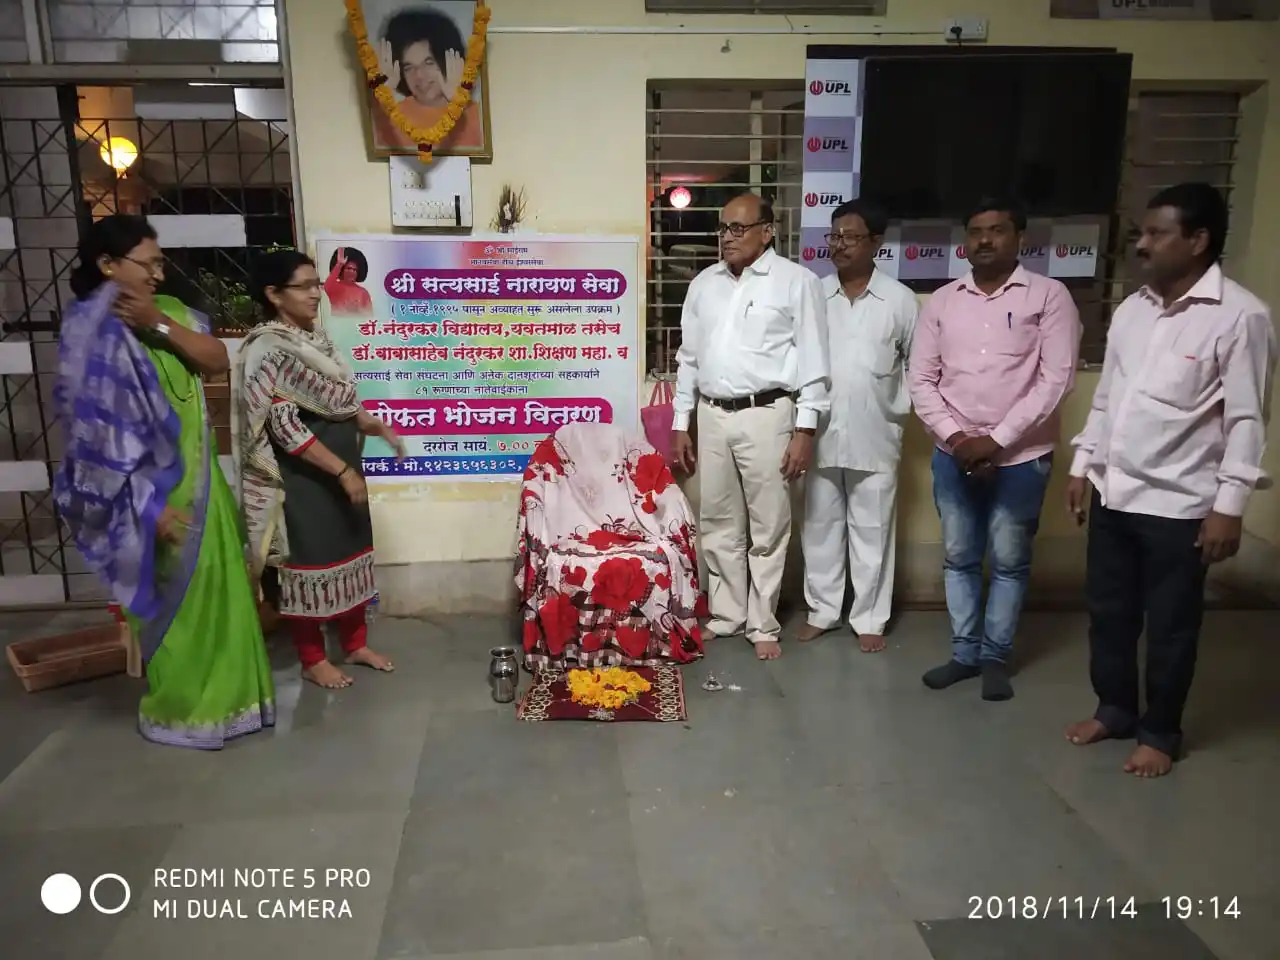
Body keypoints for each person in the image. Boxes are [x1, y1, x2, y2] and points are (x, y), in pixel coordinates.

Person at [1064, 183, 1276, 778]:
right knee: (1109, 613)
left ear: (1199, 239)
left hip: (1180, 504)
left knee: (1171, 626)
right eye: (1142, 232)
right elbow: (1107, 399)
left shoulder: (1241, 317)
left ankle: (1160, 732)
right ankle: (1114, 709)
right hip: (1114, 491)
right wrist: (1083, 465)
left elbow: (1246, 419)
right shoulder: (1133, 310)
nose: (1142, 244)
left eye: (1157, 234)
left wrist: (1229, 506)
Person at [52, 214, 275, 749]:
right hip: (145, 497)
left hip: (202, 485)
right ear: (108, 265)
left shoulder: (171, 312)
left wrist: (157, 323)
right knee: (174, 609)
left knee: (222, 593)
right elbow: (93, 436)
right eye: (147, 264)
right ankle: (182, 713)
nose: (158, 273)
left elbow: (216, 360)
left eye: (160, 263)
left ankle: (235, 706)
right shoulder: (90, 334)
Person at [908, 197, 1081, 700]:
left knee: (1009, 560)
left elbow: (1056, 380)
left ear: (1019, 238)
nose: (984, 239)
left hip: (1021, 458)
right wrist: (959, 439)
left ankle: (995, 658)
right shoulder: (943, 301)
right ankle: (964, 654)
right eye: (976, 231)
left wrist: (996, 440)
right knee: (959, 556)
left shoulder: (1049, 297)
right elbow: (921, 379)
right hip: (954, 454)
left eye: (997, 230)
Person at [234, 251, 404, 689]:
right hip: (305, 479)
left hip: (342, 470)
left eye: (316, 284)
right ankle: (313, 659)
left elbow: (340, 402)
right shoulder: (268, 349)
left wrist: (373, 425)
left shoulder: (316, 340)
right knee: (308, 564)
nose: (316, 293)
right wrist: (341, 471)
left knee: (352, 552)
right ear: (274, 294)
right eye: (304, 286)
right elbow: (284, 427)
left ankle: (355, 644)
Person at [672, 193, 830, 660]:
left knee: (769, 523)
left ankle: (762, 622)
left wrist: (805, 430)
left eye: (738, 228)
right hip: (712, 414)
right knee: (718, 521)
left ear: (768, 231)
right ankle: (727, 615)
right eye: (723, 228)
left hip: (769, 414)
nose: (727, 237)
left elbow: (815, 362)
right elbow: (688, 359)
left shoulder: (796, 282)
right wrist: (682, 421)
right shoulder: (704, 284)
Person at [798, 199, 918, 653]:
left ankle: (869, 617)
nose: (839, 245)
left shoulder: (900, 300)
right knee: (820, 527)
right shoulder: (814, 295)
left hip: (877, 432)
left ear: (876, 243)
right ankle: (822, 611)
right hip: (820, 432)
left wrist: (900, 409)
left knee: (873, 530)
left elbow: (919, 365)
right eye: (834, 236)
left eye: (850, 236)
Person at [374, 7, 483, 152]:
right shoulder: (393, 116)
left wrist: (457, 102)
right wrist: (385, 97)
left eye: (429, 62)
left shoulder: (477, 115)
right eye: (408, 67)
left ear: (451, 60)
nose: (419, 75)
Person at [323, 247, 374, 316]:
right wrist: (339, 264)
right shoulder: (335, 287)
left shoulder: (363, 292)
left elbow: (370, 315)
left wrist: (357, 311)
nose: (352, 271)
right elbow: (327, 286)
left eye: (355, 270)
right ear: (342, 270)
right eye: (349, 268)